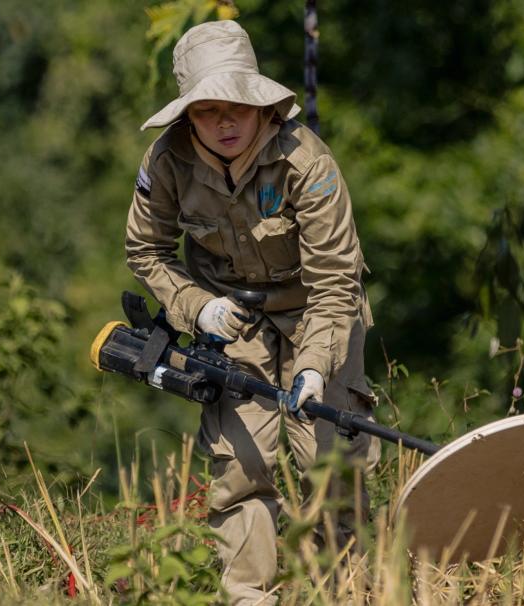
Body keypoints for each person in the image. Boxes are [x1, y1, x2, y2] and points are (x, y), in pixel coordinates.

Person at [125, 19, 378, 604]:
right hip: (232, 319)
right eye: (207, 109)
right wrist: (196, 308)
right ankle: (249, 596)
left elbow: (336, 277)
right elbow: (145, 249)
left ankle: (342, 593)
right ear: (188, 115)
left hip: (320, 310)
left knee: (327, 463)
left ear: (260, 103)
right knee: (242, 468)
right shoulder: (166, 162)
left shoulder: (304, 160)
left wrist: (315, 364)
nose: (225, 121)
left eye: (236, 104)